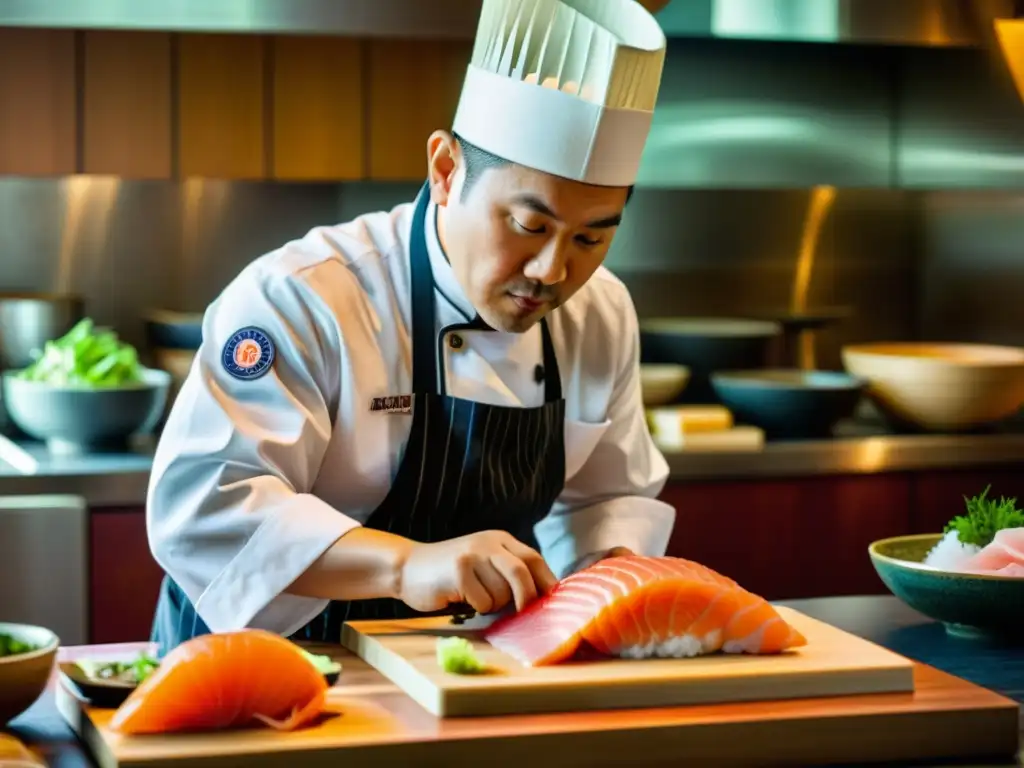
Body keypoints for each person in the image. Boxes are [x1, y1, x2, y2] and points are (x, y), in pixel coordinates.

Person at [147, 0, 676, 654]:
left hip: (452, 673)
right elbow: (207, 508)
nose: (552, 270)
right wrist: (405, 564)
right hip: (259, 669)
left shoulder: (600, 311)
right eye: (529, 226)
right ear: (446, 172)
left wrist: (606, 570)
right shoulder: (306, 296)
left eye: (592, 237)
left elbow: (607, 498)